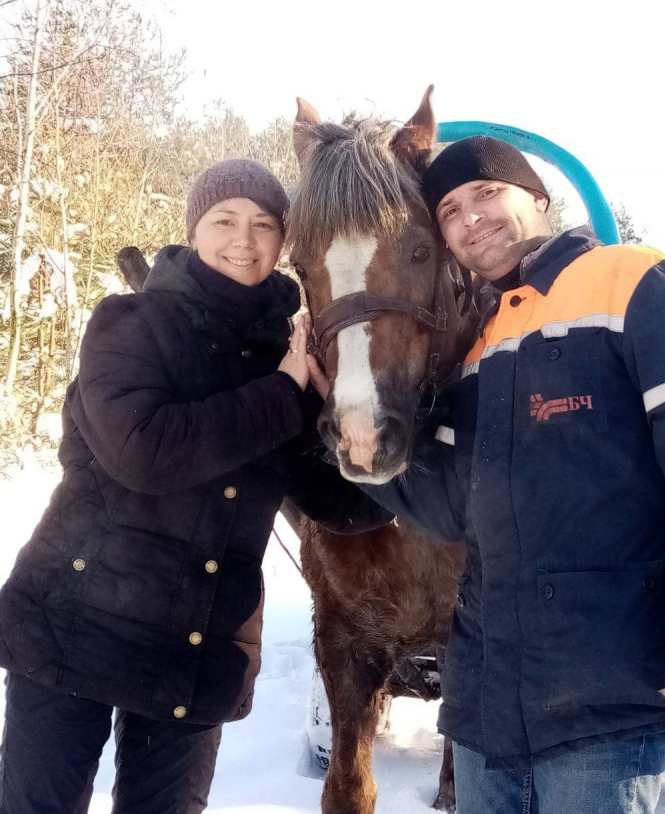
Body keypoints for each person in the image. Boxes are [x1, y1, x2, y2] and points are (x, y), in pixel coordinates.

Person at [355, 136, 665, 814]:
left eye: (488, 193)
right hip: (486, 712)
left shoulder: (637, 281)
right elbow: (448, 507)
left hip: (605, 699)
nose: (471, 217)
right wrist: (359, 450)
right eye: (450, 211)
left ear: (538, 198)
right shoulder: (478, 343)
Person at [0, 159, 391, 814]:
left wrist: (366, 446)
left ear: (282, 243)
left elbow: (337, 505)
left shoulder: (287, 359)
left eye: (264, 224)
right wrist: (284, 392)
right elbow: (145, 452)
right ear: (194, 229)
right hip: (75, 625)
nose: (244, 237)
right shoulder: (130, 322)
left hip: (195, 647)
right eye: (225, 220)